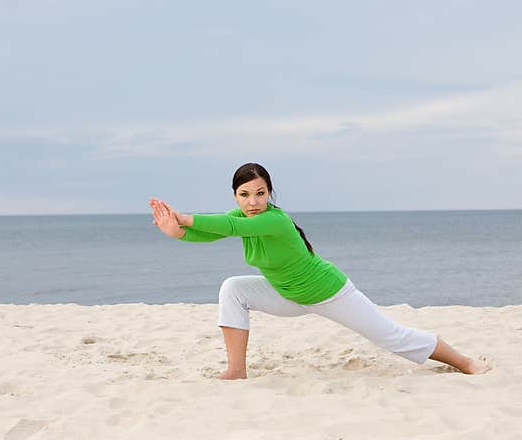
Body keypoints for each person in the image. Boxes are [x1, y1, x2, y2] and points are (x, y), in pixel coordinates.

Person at [148, 162, 491, 380]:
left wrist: (182, 217)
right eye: (245, 194)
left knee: (391, 337)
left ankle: (465, 362)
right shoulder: (241, 217)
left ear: (270, 193)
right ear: (236, 196)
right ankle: (236, 371)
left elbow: (221, 224)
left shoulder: (274, 220)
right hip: (289, 295)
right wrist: (176, 231)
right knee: (233, 288)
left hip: (329, 293)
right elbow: (212, 231)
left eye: (260, 193)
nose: (253, 201)